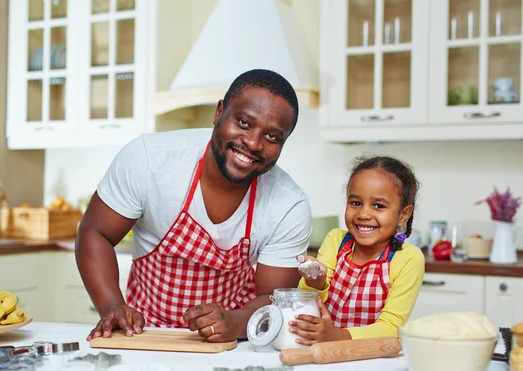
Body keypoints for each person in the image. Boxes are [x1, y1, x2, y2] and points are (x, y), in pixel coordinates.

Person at [76, 69, 312, 343]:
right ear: (219, 112)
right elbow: (95, 232)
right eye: (244, 123)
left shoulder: (288, 205)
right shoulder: (150, 160)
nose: (253, 143)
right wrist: (112, 306)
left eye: (272, 137)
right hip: (142, 335)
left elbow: (275, 299)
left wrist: (234, 323)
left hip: (232, 341)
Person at [291, 156, 425, 344]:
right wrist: (315, 280)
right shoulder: (336, 240)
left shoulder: (408, 258)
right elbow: (306, 304)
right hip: (325, 351)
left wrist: (338, 336)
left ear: (403, 214)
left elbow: (391, 327)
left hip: (373, 359)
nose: (363, 214)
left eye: (378, 206)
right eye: (355, 203)